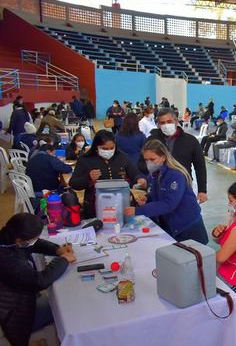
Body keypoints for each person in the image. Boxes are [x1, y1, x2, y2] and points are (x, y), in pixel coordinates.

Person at [0, 213, 76, 346]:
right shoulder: (7, 258)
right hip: (16, 315)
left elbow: (34, 244)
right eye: (33, 238)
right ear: (20, 240)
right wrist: (63, 260)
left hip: (24, 300)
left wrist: (57, 250)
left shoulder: (9, 238)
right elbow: (40, 281)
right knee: (69, 308)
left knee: (64, 298)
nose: (35, 241)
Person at [125, 140, 208, 244]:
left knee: (196, 257)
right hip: (171, 225)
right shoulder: (154, 174)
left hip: (188, 227)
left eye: (152, 159)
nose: (149, 163)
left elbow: (169, 204)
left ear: (163, 157)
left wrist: (138, 210)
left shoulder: (176, 176)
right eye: (146, 160)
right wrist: (147, 198)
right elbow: (155, 194)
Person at [70, 130, 146, 219]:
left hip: (121, 203)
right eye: (104, 148)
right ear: (96, 147)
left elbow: (134, 173)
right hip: (95, 206)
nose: (109, 151)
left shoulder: (122, 157)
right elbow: (73, 183)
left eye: (111, 148)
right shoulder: (85, 160)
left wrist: (140, 179)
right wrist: (88, 177)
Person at [144, 108, 208, 203]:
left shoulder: (190, 141)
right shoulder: (151, 141)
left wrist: (202, 190)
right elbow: (142, 162)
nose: (166, 125)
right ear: (158, 124)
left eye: (169, 121)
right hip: (158, 187)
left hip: (183, 187)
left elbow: (200, 166)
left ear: (176, 121)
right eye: (162, 123)